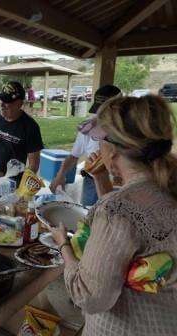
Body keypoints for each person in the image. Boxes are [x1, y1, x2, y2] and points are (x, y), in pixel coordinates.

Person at [49, 95, 177, 336]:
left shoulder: (115, 209)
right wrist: (101, 178)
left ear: (114, 150)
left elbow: (89, 296)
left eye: (99, 142)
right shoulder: (165, 189)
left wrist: (63, 245)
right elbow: (121, 235)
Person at [49, 84, 121, 206]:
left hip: (119, 185)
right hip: (92, 181)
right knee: (89, 217)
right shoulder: (91, 126)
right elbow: (73, 156)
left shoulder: (129, 131)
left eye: (105, 112)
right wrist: (60, 176)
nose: (101, 117)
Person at [0, 81, 44, 197]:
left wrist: (22, 191)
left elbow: (34, 164)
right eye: (1, 99)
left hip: (14, 182)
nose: (2, 104)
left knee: (9, 213)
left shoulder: (30, 127)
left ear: (19, 104)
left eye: (7, 101)